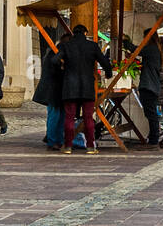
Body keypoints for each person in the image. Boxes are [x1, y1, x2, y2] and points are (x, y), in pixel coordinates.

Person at [58, 23, 112, 155]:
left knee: (69, 117)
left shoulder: (66, 45)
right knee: (88, 117)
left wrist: (64, 67)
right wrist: (109, 74)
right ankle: (90, 147)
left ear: (73, 33)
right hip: (87, 86)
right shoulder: (92, 46)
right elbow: (104, 62)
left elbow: (54, 60)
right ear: (85, 33)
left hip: (70, 86)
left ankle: (68, 146)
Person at [31, 36, 65, 151]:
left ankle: (56, 139)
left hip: (55, 90)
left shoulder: (53, 52)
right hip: (54, 90)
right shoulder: (57, 54)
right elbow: (55, 68)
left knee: (57, 116)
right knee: (55, 116)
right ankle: (53, 140)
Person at [135, 31, 163, 147]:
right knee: (151, 113)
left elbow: (136, 50)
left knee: (151, 114)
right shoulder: (156, 49)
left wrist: (125, 41)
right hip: (153, 85)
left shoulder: (151, 48)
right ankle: (153, 136)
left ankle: (153, 139)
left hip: (149, 86)